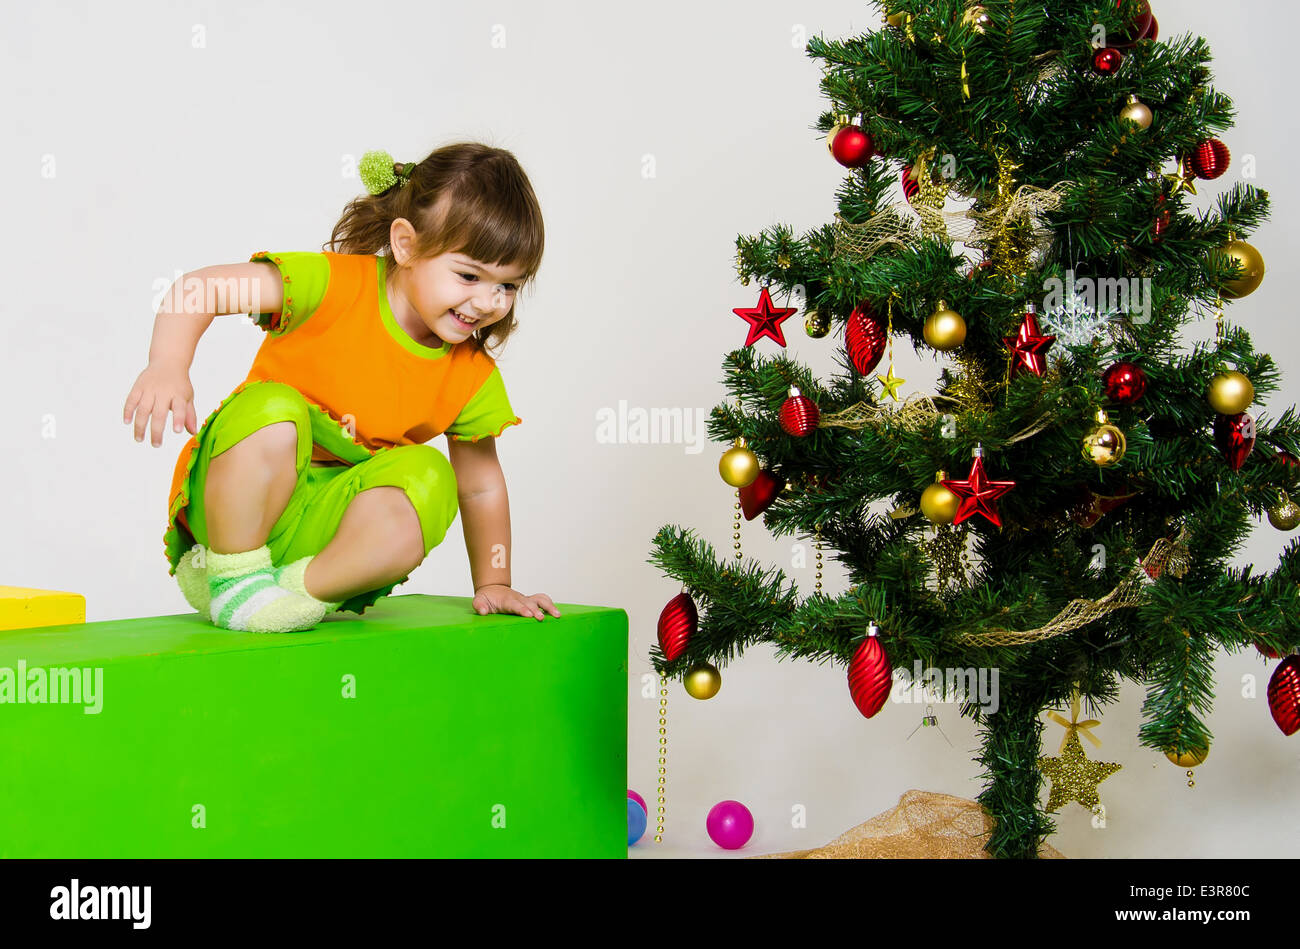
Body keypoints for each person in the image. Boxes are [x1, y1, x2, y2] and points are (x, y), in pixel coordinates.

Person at [123, 142, 560, 633]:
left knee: (432, 475)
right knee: (274, 407)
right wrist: (167, 364)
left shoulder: (471, 374)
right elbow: (203, 289)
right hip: (237, 507)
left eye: (508, 286)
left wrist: (494, 583)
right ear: (406, 245)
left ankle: (296, 591)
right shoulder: (334, 285)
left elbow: (479, 486)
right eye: (468, 276)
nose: (487, 302)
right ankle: (231, 578)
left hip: (326, 532)